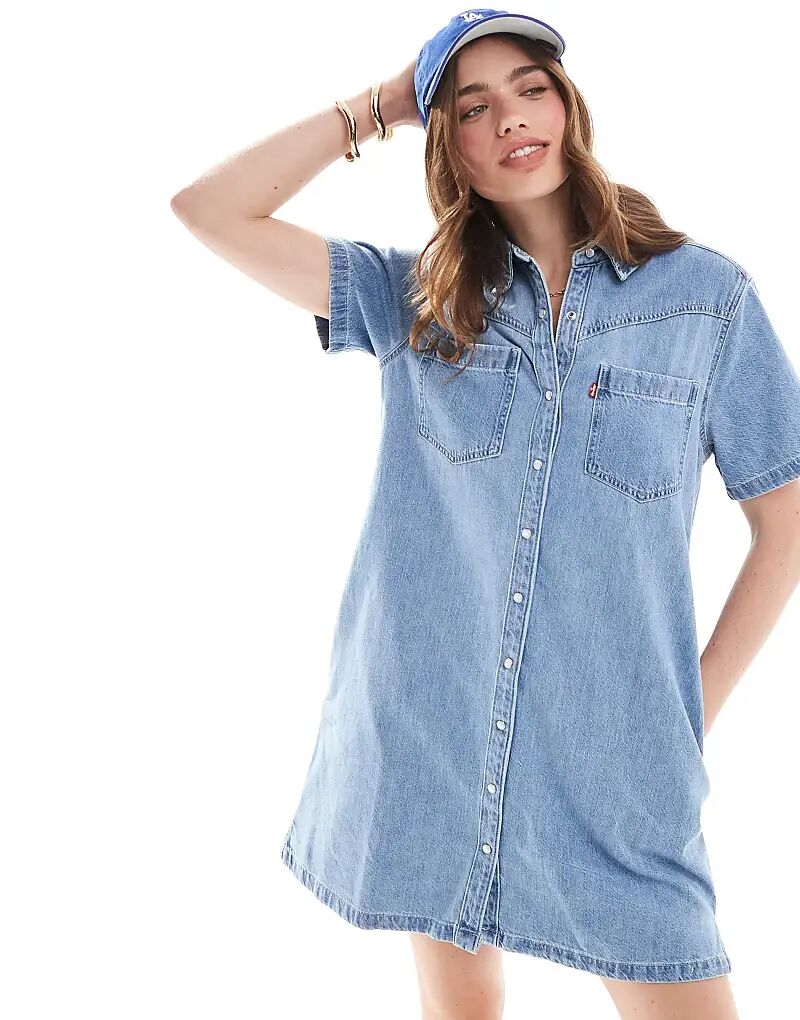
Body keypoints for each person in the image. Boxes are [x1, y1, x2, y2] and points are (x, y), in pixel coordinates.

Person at [171, 9, 800, 1020]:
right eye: (471, 107)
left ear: (568, 107)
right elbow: (208, 210)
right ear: (446, 147)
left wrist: (688, 711)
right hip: (432, 733)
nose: (510, 118)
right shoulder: (413, 300)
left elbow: (786, 521)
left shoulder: (705, 300)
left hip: (617, 762)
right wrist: (385, 102)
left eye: (530, 89)